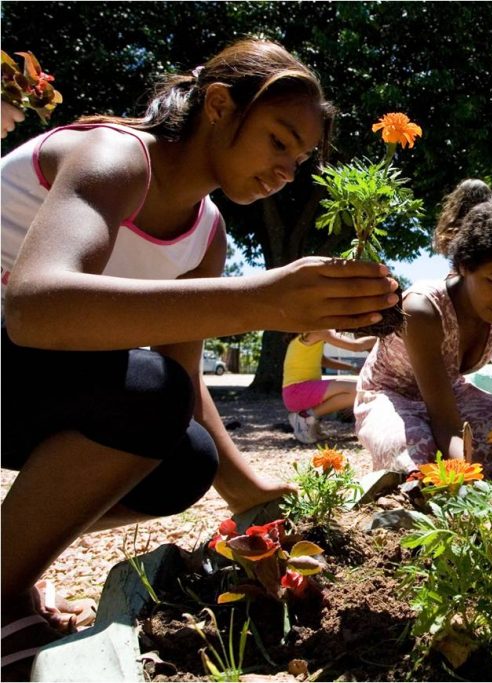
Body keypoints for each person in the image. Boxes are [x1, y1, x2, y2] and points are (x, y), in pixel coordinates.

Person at [0, 38, 399, 677]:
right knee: (147, 393)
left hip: (26, 382)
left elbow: (181, 375)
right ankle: (2, 591)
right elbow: (34, 308)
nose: (287, 170)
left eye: (299, 160)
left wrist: (249, 493)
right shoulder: (115, 155)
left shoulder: (205, 231)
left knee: (187, 460)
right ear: (218, 105)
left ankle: (9, 563)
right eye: (278, 141)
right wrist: (256, 300)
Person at [354, 179, 492, 475]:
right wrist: (466, 474)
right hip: (391, 394)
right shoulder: (422, 308)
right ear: (463, 267)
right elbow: (445, 420)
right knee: (421, 462)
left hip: (451, 393)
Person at [282, 330, 376, 444]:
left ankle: (309, 419)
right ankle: (305, 417)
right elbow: (356, 346)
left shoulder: (305, 335)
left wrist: (352, 368)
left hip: (296, 393)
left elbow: (323, 361)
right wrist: (385, 337)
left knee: (356, 389)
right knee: (358, 389)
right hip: (298, 392)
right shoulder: (319, 331)